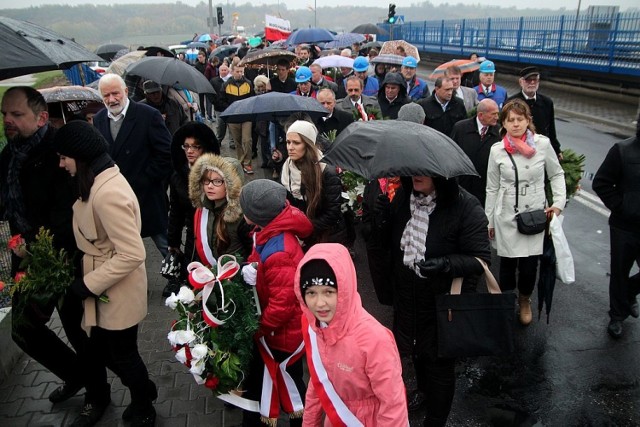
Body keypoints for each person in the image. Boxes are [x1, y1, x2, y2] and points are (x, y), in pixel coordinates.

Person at [54, 121, 156, 427]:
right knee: (106, 351)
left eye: (64, 157)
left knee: (123, 355)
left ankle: (144, 404)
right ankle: (143, 391)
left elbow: (133, 253)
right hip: (107, 286)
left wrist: (87, 284)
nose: (61, 164)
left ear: (80, 155)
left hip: (116, 290)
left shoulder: (107, 192)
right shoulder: (99, 180)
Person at [368, 174, 491, 426]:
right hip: (407, 296)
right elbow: (390, 244)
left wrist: (446, 264)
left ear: (442, 175)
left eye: (424, 170)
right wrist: (382, 218)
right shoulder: (404, 197)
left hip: (443, 302)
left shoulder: (465, 206)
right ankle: (423, 392)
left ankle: (436, 419)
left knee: (440, 366)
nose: (416, 175)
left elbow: (480, 259)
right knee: (416, 352)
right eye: (413, 169)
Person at [0, 86, 85, 404]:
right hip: (24, 256)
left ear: (41, 118)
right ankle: (76, 374)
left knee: (76, 329)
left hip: (61, 255)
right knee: (22, 327)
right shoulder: (10, 153)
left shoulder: (58, 152)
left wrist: (36, 246)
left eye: (16, 114)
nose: (8, 120)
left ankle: (98, 393)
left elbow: (66, 212)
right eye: (4, 114)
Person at [294, 244, 409, 426]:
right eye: (311, 293)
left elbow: (393, 405)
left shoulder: (374, 339)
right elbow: (318, 384)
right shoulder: (315, 329)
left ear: (344, 288)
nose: (319, 303)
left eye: (329, 292)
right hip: (334, 419)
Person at [239, 179, 314, 426]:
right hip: (277, 330)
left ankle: (302, 421)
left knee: (291, 382)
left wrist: (257, 328)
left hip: (282, 335)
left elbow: (282, 304)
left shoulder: (279, 251)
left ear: (256, 214)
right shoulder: (268, 232)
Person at [485, 99, 566, 326]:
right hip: (507, 215)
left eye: (520, 119)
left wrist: (558, 203)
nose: (516, 124)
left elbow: (556, 174)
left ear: (528, 121)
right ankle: (506, 302)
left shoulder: (542, 144)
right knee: (508, 265)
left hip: (534, 215)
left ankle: (524, 300)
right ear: (503, 124)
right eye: (510, 120)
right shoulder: (497, 150)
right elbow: (491, 187)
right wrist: (488, 219)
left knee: (530, 267)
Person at [93, 74, 172, 259]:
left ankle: (183, 280)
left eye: (115, 93)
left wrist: (145, 178)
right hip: (115, 199)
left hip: (147, 196)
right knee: (123, 250)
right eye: (106, 95)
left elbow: (166, 154)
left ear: (126, 92)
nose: (111, 100)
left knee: (165, 245)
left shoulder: (147, 115)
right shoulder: (98, 119)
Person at [593, 114, 640, 339]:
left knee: (627, 281)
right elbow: (601, 182)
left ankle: (630, 292)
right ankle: (617, 316)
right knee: (620, 272)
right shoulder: (622, 150)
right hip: (624, 227)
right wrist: (621, 207)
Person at [164, 121, 221, 297]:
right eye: (186, 146)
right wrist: (173, 242)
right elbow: (175, 211)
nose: (190, 151)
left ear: (204, 149)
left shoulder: (216, 173)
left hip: (215, 233)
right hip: (192, 236)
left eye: (195, 147)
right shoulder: (178, 175)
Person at [281, 120, 347, 247]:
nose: (290, 147)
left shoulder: (326, 172)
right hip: (303, 235)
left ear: (308, 144)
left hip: (327, 237)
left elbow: (332, 213)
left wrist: (304, 228)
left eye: (296, 143)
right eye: (288, 142)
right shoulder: (286, 168)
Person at [188, 153, 251, 265]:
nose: (209, 186)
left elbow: (252, 253)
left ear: (231, 185)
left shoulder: (243, 216)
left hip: (235, 278)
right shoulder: (202, 210)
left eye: (217, 181)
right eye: (206, 180)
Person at [450, 98, 501, 207]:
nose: (497, 117)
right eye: (493, 114)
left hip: (486, 188)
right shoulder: (460, 128)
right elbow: (452, 155)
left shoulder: (499, 132)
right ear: (481, 115)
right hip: (463, 187)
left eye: (497, 114)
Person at [508, 66, 563, 158]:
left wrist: (556, 149)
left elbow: (551, 129)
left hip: (541, 148)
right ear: (521, 82)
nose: (532, 83)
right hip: (519, 149)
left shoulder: (547, 102)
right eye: (528, 80)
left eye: (535, 80)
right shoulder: (512, 102)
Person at [219, 64, 255, 174]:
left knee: (247, 140)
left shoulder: (248, 83)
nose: (240, 74)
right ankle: (241, 161)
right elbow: (221, 100)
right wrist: (230, 108)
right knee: (237, 142)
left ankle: (247, 164)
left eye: (241, 71)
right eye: (237, 71)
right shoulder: (226, 85)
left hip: (246, 117)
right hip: (233, 118)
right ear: (232, 71)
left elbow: (252, 99)